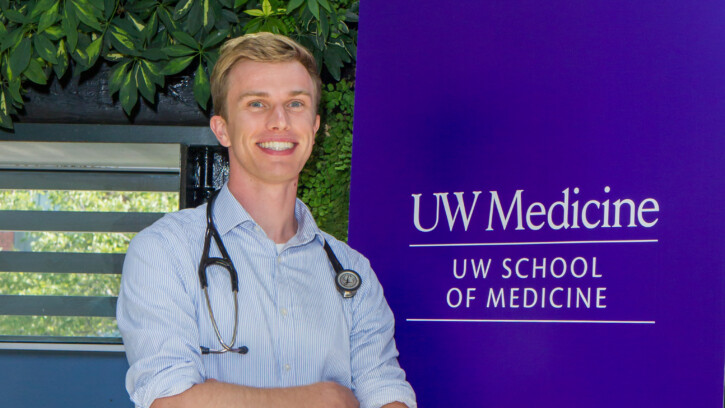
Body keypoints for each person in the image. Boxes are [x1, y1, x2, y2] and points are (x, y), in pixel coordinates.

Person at [116, 32, 416, 408]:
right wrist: (324, 398)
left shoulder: (353, 273)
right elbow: (170, 400)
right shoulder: (165, 253)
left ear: (315, 127)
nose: (279, 121)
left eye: (295, 103)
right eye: (257, 103)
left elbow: (385, 391)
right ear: (222, 129)